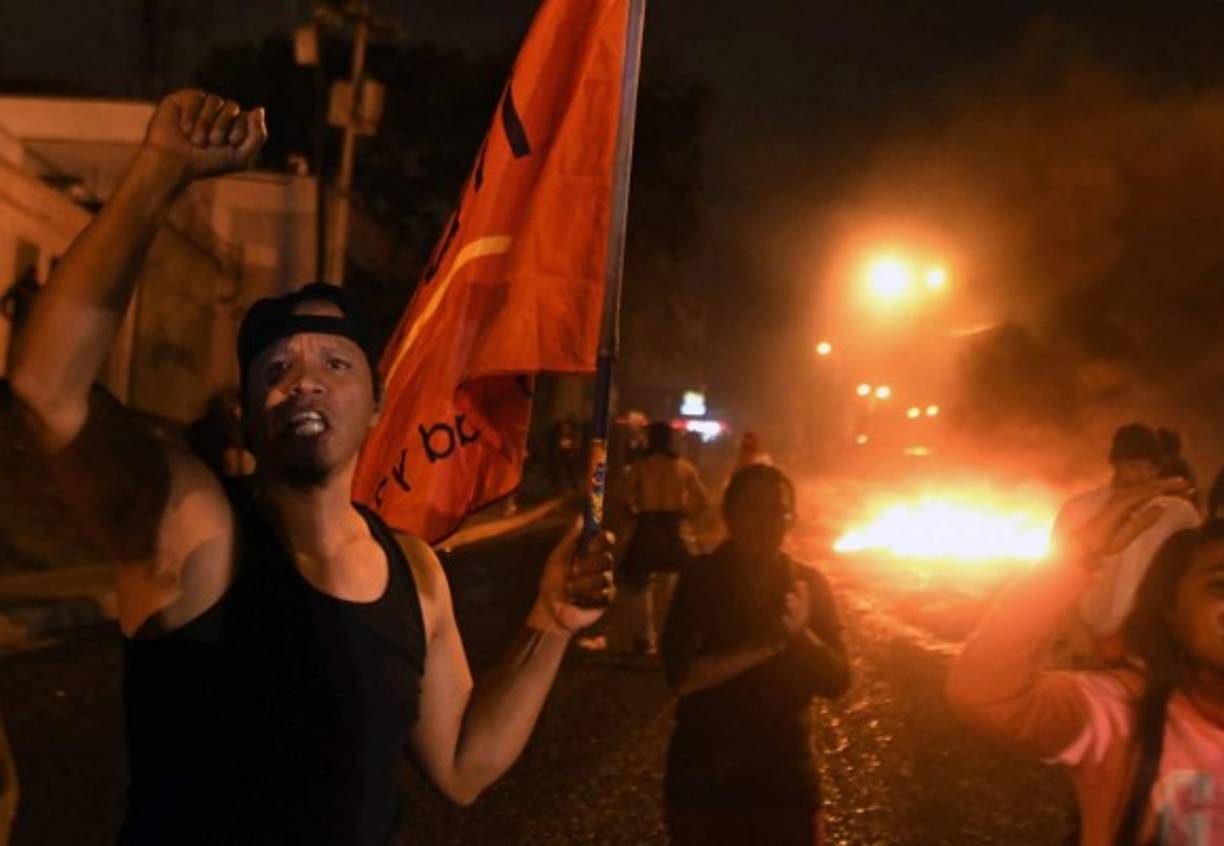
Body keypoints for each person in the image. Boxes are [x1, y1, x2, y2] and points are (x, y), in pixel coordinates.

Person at [8, 89, 614, 845]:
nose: (304, 381)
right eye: (276, 369)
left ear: (377, 399)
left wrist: (551, 622)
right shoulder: (196, 523)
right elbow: (44, 389)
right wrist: (160, 171)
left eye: (334, 361)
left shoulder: (415, 574)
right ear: (251, 408)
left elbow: (463, 765)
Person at [947, 477, 1224, 845]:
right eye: (1221, 585)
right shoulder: (1121, 714)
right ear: (1169, 606)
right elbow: (985, 692)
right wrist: (1072, 560)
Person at [661, 464, 850, 845]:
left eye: (777, 510)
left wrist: (803, 639)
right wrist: (778, 640)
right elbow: (683, 677)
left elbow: (837, 680)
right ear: (729, 514)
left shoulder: (809, 585)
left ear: (791, 519)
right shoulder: (701, 578)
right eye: (753, 509)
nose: (765, 522)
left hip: (786, 784)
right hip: (704, 784)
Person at [1055, 423, 1199, 661]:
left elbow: (1188, 573)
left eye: (1150, 468)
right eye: (1133, 467)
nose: (1143, 475)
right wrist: (1075, 628)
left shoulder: (1177, 514)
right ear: (1116, 466)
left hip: (1146, 645)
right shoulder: (1080, 509)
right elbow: (1056, 572)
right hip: (1086, 640)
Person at [622, 421, 711, 653]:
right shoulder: (684, 467)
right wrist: (685, 518)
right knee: (677, 584)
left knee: (640, 583)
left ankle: (644, 638)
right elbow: (703, 501)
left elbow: (624, 498)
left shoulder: (641, 467)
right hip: (675, 529)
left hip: (648, 527)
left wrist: (636, 514)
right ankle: (673, 636)